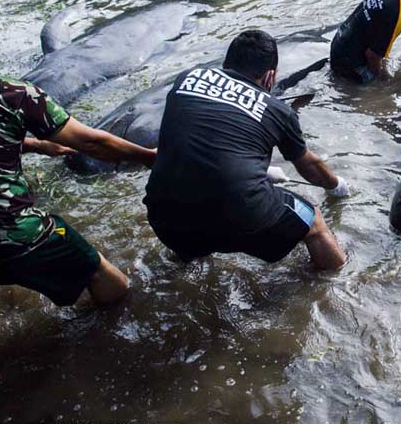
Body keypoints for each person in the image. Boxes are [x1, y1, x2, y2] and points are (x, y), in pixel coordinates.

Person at [0, 0, 157, 348]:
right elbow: (91, 142)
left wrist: (34, 144)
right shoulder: (8, 92)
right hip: (14, 230)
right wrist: (149, 156)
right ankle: (119, 341)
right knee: (101, 271)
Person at [144, 29, 349, 270]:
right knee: (314, 222)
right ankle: (337, 278)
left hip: (164, 219)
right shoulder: (277, 110)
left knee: (191, 204)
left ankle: (184, 264)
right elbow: (309, 166)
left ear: (226, 63)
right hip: (239, 219)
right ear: (270, 76)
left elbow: (207, 141)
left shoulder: (187, 79)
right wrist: (336, 186)